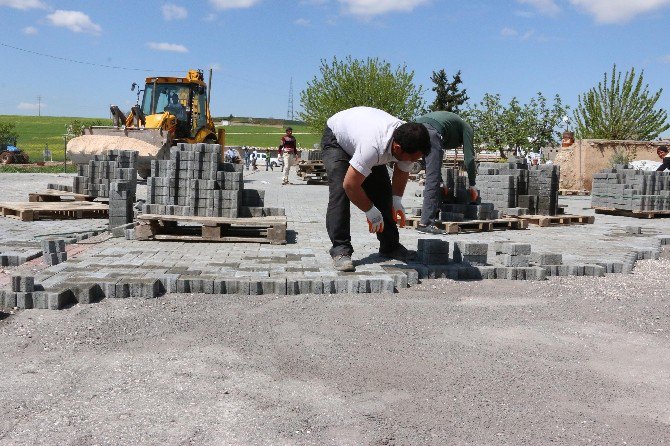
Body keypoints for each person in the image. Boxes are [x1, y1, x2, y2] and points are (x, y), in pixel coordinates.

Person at [322, 106, 431, 272]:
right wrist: (370, 211)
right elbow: (351, 185)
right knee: (340, 192)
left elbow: (402, 170)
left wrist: (396, 200)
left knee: (382, 192)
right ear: (397, 148)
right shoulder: (373, 147)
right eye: (412, 158)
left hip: (362, 137)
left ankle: (390, 246)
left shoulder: (409, 138)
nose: (413, 161)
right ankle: (340, 249)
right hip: (338, 140)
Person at [414, 111, 478, 234]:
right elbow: (469, 158)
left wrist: (442, 182)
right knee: (433, 180)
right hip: (430, 131)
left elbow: (433, 164)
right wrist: (472, 185)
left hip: (416, 128)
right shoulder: (467, 129)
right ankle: (426, 223)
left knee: (433, 175)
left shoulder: (451, 126)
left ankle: (435, 212)